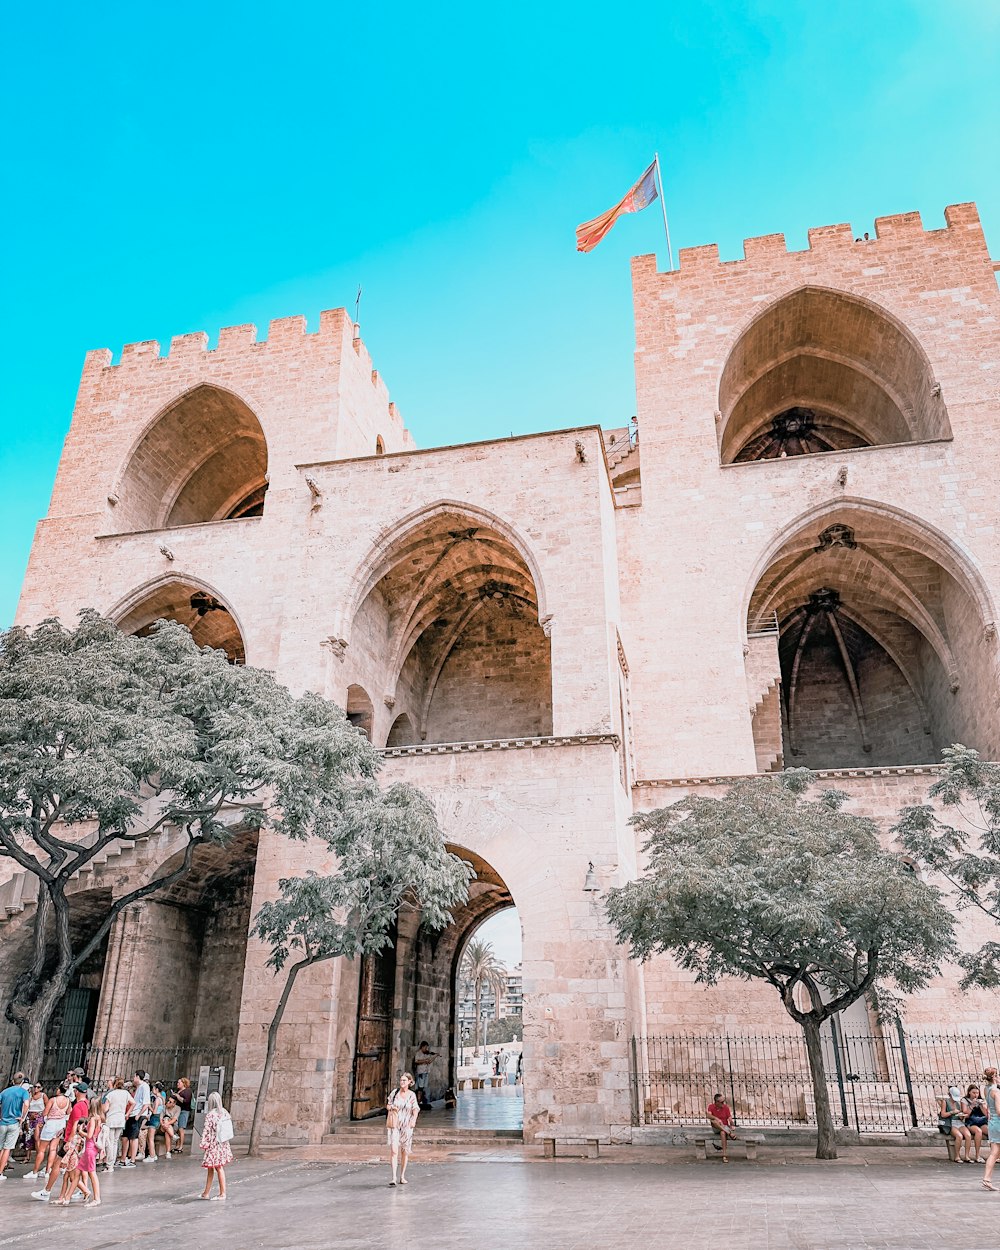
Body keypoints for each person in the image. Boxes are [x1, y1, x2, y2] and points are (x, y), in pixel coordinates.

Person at [27, 1081, 71, 1180]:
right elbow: (69, 1112)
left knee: (42, 1149)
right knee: (53, 1149)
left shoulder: (53, 1100)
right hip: (60, 1124)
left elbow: (45, 1113)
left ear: (59, 1090)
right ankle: (47, 1171)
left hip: (51, 1124)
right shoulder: (68, 1101)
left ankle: (35, 1171)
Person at [386, 1072, 419, 1187]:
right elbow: (388, 1105)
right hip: (395, 1124)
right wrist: (391, 1107)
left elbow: (415, 1109)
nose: (402, 1082)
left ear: (410, 1082)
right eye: (401, 1080)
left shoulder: (412, 1095)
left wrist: (413, 1120)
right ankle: (393, 1177)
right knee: (394, 1151)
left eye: (404, 1080)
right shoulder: (394, 1093)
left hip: (407, 1126)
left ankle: (402, 1176)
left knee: (405, 1152)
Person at [198, 1090, 233, 1200]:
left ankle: (222, 1193)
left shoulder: (210, 1115)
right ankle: (206, 1192)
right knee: (213, 1168)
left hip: (213, 1144)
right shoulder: (225, 1112)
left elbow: (206, 1131)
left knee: (217, 1167)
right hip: (223, 1143)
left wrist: (204, 1144)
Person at [0, 1072, 30, 1180]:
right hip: (14, 1122)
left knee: (1, 1147)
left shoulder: (4, 1092)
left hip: (3, 1122)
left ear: (13, 1081)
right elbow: (26, 1104)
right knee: (7, 1149)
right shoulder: (23, 1092)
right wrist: (22, 1117)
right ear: (22, 1082)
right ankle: (0, 1172)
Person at [102, 1076, 131, 1171]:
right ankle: (112, 1162)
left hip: (111, 1119)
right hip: (120, 1119)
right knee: (115, 1141)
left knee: (110, 1142)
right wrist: (127, 1113)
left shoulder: (111, 1094)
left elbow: (105, 1109)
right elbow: (133, 1102)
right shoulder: (126, 1093)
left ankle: (109, 1164)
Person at [939, 1085, 973, 1162]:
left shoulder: (958, 1103)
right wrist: (952, 1112)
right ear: (950, 1095)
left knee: (968, 1135)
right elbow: (943, 1114)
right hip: (951, 1123)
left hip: (959, 1122)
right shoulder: (945, 1102)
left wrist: (962, 1116)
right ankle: (957, 1156)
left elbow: (960, 1114)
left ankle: (967, 1156)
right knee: (959, 1136)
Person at [125, 1071, 151, 1165]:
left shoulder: (145, 1086)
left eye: (134, 1076)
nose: (133, 1078)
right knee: (131, 1136)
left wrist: (139, 1115)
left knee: (134, 1137)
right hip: (134, 1113)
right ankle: (130, 1157)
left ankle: (132, 1160)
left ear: (137, 1076)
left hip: (138, 1114)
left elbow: (146, 1103)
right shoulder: (139, 1087)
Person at [707, 1092, 740, 1162]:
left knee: (722, 1132)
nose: (723, 1103)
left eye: (724, 1101)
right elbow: (708, 1116)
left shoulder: (725, 1107)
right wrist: (716, 1118)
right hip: (716, 1128)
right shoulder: (711, 1106)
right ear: (717, 1102)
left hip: (725, 1127)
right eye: (722, 1102)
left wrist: (732, 1124)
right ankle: (729, 1133)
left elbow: (730, 1118)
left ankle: (724, 1155)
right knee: (713, 1121)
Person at [982, 1069, 1000, 1191]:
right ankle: (986, 1179)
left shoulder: (986, 1089)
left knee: (994, 1152)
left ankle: (986, 1179)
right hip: (998, 1122)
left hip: (992, 1122)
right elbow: (999, 1111)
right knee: (995, 1153)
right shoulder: (996, 1091)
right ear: (994, 1077)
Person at [964, 1084, 988, 1162]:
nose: (975, 1095)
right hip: (971, 1122)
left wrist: (982, 1106)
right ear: (969, 1092)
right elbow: (965, 1114)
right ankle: (977, 1155)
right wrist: (972, 1105)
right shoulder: (964, 1100)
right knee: (978, 1131)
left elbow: (986, 1114)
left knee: (991, 1131)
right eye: (973, 1093)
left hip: (981, 1121)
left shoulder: (981, 1100)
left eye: (977, 1093)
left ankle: (996, 1155)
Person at [413, 1042, 438, 1111]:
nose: (426, 1049)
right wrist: (424, 1061)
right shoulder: (418, 1053)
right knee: (419, 1088)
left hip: (425, 1072)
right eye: (425, 1047)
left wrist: (435, 1056)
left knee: (423, 1087)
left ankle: (423, 1101)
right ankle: (418, 1102)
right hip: (420, 1072)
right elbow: (416, 1061)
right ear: (422, 1047)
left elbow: (429, 1061)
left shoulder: (426, 1054)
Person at [144, 1081, 165, 1161]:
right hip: (158, 1118)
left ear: (156, 1089)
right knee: (150, 1138)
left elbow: (154, 1111)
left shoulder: (157, 1100)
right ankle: (153, 1155)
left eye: (153, 1088)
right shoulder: (162, 1099)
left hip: (154, 1118)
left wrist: (149, 1106)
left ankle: (152, 1155)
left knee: (150, 1138)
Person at [174, 1077, 193, 1154]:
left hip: (184, 1111)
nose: (177, 1084)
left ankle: (181, 1146)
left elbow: (186, 1101)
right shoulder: (179, 1091)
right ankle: (177, 1145)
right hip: (178, 1110)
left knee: (181, 1128)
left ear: (183, 1083)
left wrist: (178, 1097)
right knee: (178, 1128)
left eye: (179, 1082)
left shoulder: (187, 1091)